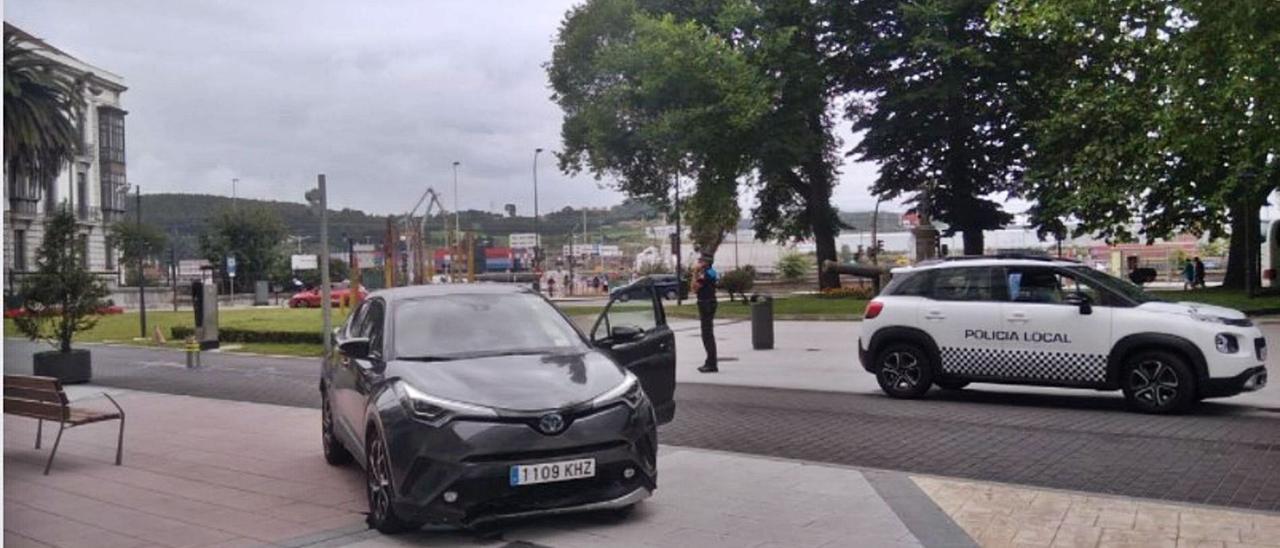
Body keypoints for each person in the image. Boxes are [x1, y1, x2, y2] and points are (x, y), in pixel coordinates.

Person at [693, 254, 719, 373]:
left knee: (707, 334)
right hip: (711, 302)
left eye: (700, 261)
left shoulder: (704, 274)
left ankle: (711, 363)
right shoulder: (712, 272)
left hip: (705, 303)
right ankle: (710, 361)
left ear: (706, 263)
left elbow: (694, 288)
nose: (698, 262)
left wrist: (695, 272)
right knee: (709, 333)